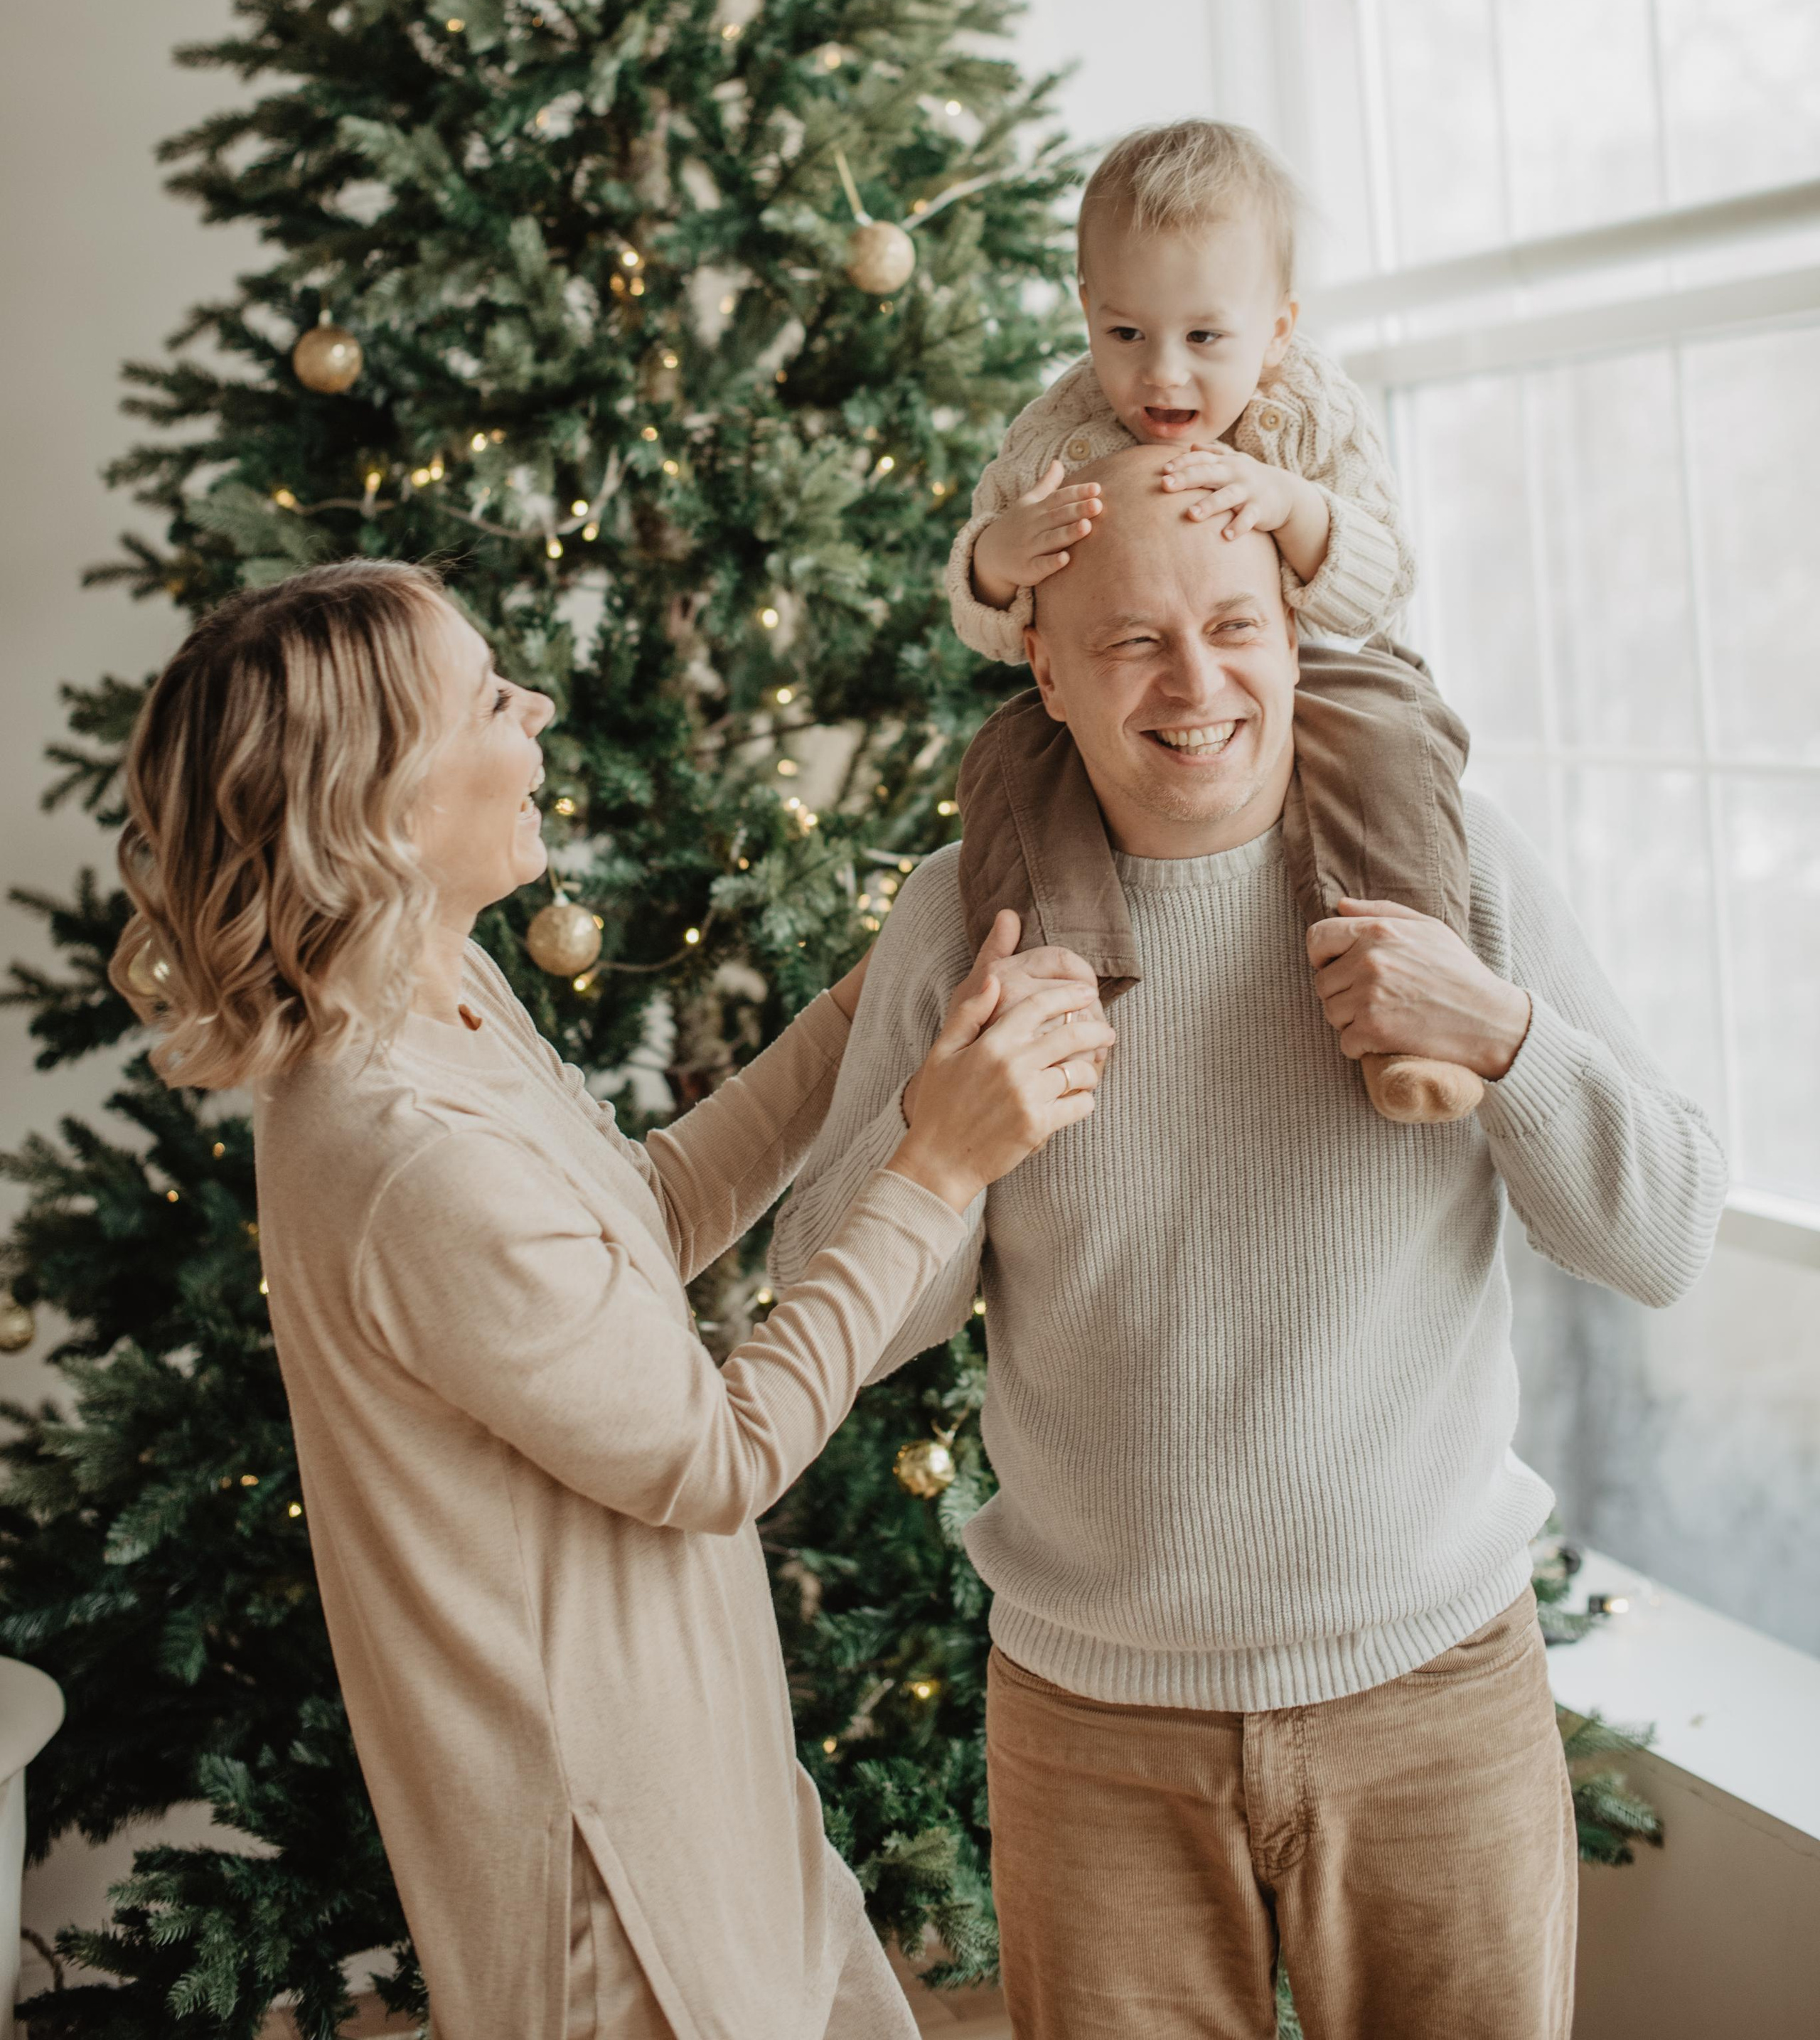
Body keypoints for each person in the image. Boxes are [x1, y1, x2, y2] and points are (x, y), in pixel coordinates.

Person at [775, 449, 1727, 2040]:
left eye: (1233, 626)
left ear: (1296, 636)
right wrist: (945, 1146)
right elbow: (833, 1309)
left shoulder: (1451, 863)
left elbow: (1664, 1232)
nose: (1195, 683)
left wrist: (1498, 1037)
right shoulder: (964, 913)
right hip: (1089, 1729)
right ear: (1049, 673)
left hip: (1431, 1696)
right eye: (1132, 641)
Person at [109, 558, 1113, 2040]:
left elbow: (634, 1218)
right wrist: (938, 1166)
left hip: (709, 1779)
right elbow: (713, 1459)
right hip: (612, 1888)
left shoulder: (436, 991)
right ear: (377, 801)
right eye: (487, 699)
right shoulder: (396, 1151)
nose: (540, 712)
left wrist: (863, 1010)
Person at [947, 117, 1483, 1125]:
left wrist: (1296, 508)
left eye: (1205, 338)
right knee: (1007, 760)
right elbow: (990, 625)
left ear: (1276, 327)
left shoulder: (1311, 413)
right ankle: (1055, 1003)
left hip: (1314, 666)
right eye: (1126, 334)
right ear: (1086, 312)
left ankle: (1407, 992)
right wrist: (996, 559)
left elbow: (1384, 581)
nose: (1163, 376)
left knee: (1403, 733)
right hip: (1119, 696)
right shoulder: (1054, 435)